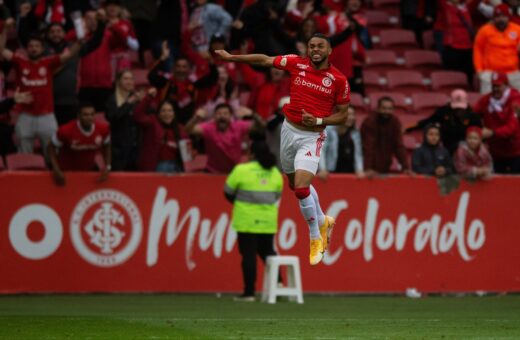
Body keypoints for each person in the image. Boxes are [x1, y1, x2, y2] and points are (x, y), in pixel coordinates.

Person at [215, 32, 350, 266]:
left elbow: (343, 116)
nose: (315, 49)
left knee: (300, 188)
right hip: (288, 132)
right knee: (294, 185)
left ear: (329, 51)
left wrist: (318, 122)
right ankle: (322, 220)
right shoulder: (297, 64)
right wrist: (232, 58)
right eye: (312, 46)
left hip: (312, 136)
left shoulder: (338, 80)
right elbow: (265, 60)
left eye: (320, 46)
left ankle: (315, 236)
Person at [0, 28, 85, 157]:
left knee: (52, 153)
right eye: (31, 46)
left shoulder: (48, 63)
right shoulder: (20, 62)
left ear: (42, 49)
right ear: (26, 49)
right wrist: (4, 32)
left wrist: (79, 43)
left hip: (47, 116)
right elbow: (1, 50)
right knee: (23, 155)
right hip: (25, 115)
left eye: (37, 46)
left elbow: (68, 55)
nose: (34, 49)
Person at [224, 140, 283, 302]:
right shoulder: (275, 173)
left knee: (248, 255)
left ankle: (249, 292)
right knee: (268, 253)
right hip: (268, 220)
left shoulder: (241, 170)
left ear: (251, 154)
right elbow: (277, 195)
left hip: (246, 220)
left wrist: (240, 202)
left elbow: (228, 192)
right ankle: (278, 285)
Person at [185, 103, 264, 174]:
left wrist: (252, 114)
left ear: (230, 116)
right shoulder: (208, 128)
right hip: (212, 172)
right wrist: (196, 118)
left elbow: (262, 126)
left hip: (235, 172)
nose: (222, 116)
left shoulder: (239, 126)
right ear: (214, 116)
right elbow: (188, 130)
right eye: (218, 114)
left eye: (225, 114)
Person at [48, 103, 111, 186]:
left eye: (92, 114)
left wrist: (107, 167)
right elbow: (51, 148)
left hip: (88, 170)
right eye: (86, 115)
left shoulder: (103, 129)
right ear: (78, 116)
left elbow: (107, 146)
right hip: (66, 171)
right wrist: (56, 169)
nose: (89, 117)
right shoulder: (66, 130)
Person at [406, 89, 482, 155]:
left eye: (461, 108)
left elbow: (479, 131)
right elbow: (429, 121)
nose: (458, 110)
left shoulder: (473, 115)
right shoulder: (443, 111)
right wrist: (409, 127)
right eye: (456, 108)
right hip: (447, 147)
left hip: (467, 149)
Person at [473, 73, 520, 173]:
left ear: (506, 85)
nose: (495, 89)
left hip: (515, 151)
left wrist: (492, 132)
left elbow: (512, 127)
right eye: (493, 86)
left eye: (498, 86)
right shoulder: (486, 100)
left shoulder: (515, 101)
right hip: (496, 151)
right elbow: (473, 114)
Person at [133, 88, 185, 173]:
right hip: (156, 167)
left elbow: (186, 151)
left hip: (176, 167)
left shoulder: (179, 128)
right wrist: (148, 98)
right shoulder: (152, 122)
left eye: (170, 111)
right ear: (159, 114)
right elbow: (137, 116)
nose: (167, 114)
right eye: (163, 111)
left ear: (174, 113)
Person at [474, 4, 520, 93]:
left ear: (508, 17)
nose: (501, 19)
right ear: (494, 18)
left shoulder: (517, 29)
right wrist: (479, 69)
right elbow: (478, 50)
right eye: (498, 17)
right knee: (487, 99)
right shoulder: (484, 30)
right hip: (490, 72)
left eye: (504, 16)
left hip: (513, 72)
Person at [361, 96, 410, 176]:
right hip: (368, 170)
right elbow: (368, 147)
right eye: (384, 108)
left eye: (390, 109)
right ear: (378, 108)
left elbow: (399, 146)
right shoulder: (369, 122)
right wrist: (367, 168)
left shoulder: (395, 122)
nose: (387, 111)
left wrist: (406, 167)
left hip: (385, 167)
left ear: (393, 110)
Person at [105, 69, 142, 171]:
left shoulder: (137, 99)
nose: (129, 81)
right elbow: (113, 117)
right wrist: (128, 103)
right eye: (125, 79)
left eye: (131, 79)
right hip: (119, 150)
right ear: (118, 81)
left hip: (135, 148)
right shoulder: (112, 99)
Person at [318, 106, 364, 179]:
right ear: (339, 115)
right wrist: (322, 169)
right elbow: (321, 150)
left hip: (350, 173)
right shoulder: (328, 130)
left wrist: (359, 169)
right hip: (330, 173)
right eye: (348, 114)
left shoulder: (355, 133)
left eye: (353, 114)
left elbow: (358, 154)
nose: (351, 117)